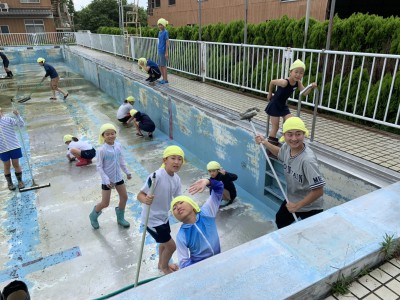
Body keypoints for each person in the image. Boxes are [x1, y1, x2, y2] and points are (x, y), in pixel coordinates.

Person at [255, 117, 325, 229]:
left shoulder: (307, 160)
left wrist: (297, 206)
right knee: (280, 220)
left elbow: (318, 191)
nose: (294, 138)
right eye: (290, 134)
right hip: (292, 199)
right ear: (284, 135)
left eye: (298, 134)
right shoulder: (287, 147)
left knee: (312, 233)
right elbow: (280, 153)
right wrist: (265, 142)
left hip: (310, 206)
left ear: (304, 134)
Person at [137, 145, 184, 274]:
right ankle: (164, 267)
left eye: (180, 159)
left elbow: (178, 198)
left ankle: (161, 263)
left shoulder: (176, 179)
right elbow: (140, 195)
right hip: (152, 220)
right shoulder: (156, 176)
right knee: (171, 246)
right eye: (173, 158)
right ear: (165, 160)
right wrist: (145, 199)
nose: (176, 162)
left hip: (163, 217)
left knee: (164, 243)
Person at [171, 177, 224, 269]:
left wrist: (208, 181)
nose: (178, 207)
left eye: (180, 203)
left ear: (192, 205)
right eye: (174, 208)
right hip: (201, 268)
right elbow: (183, 263)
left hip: (219, 260)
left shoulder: (207, 213)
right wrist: (201, 269)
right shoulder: (182, 235)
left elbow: (219, 188)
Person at [264, 59, 316, 147]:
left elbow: (304, 93)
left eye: (301, 73)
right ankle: (270, 147)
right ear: (290, 72)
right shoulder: (284, 82)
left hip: (283, 106)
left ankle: (287, 142)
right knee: (275, 127)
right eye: (296, 72)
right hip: (274, 105)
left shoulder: (298, 82)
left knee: (292, 121)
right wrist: (269, 94)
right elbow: (272, 82)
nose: (298, 75)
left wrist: (311, 87)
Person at [89, 123, 131, 229]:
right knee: (105, 203)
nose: (111, 136)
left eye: (112, 133)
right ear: (103, 136)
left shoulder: (118, 146)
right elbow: (99, 166)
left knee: (124, 197)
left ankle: (120, 218)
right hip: (107, 181)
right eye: (107, 134)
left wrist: (127, 172)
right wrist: (106, 180)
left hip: (118, 178)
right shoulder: (102, 150)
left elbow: (121, 161)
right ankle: (93, 215)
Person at [0, 107, 25, 190]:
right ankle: (10, 183)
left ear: (1, 112)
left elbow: (21, 124)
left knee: (16, 164)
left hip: (14, 146)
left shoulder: (8, 119)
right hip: (2, 149)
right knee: (6, 166)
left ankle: (20, 181)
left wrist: (17, 115)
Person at [157, 18, 170, 84]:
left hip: (163, 51)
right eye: (159, 25)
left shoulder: (165, 32)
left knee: (163, 66)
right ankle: (163, 78)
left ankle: (165, 79)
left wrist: (166, 52)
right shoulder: (159, 32)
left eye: (161, 25)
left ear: (164, 25)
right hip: (159, 50)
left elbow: (167, 42)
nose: (160, 26)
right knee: (160, 65)